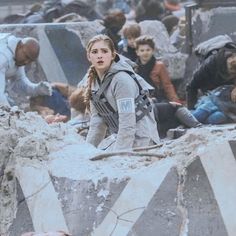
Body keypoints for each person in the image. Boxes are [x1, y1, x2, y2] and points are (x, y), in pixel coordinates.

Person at [84, 34, 160, 151]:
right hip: (122, 138)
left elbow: (127, 124)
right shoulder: (93, 81)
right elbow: (97, 123)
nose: (100, 56)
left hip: (143, 142)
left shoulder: (121, 80)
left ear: (112, 55)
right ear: (89, 56)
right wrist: (86, 152)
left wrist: (118, 156)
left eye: (104, 51)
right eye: (94, 52)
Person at [0, 33, 52, 106]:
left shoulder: (17, 55)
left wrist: (36, 89)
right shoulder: (3, 57)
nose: (26, 62)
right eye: (27, 57)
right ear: (20, 46)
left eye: (30, 60)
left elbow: (18, 82)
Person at [135, 35, 181, 103]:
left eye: (148, 50)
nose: (145, 53)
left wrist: (175, 101)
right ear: (137, 52)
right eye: (142, 50)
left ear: (152, 51)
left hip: (157, 99)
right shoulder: (134, 67)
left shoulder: (159, 66)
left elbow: (167, 86)